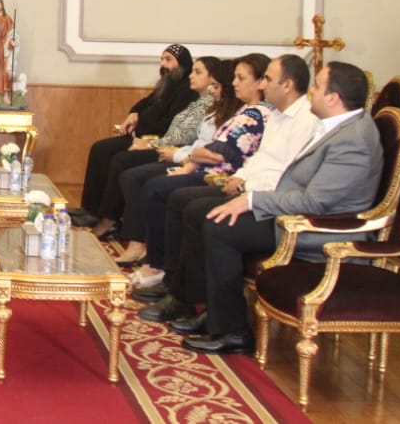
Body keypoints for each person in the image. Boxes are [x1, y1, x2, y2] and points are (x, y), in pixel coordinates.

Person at [154, 62, 382, 356]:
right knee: (204, 212)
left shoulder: (354, 140)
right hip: (291, 211)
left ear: (333, 98)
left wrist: (253, 200)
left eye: (316, 86)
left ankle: (232, 330)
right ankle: (209, 310)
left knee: (219, 226)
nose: (310, 91)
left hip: (317, 229)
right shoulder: (337, 126)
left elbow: (316, 202)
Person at [134, 55, 317, 334]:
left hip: (268, 200)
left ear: (288, 84)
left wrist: (246, 186)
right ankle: (181, 291)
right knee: (184, 202)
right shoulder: (279, 115)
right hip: (248, 185)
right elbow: (260, 159)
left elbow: (287, 173)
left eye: (268, 79)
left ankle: (207, 310)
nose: (263, 85)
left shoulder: (305, 121)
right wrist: (241, 176)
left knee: (202, 213)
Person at [125, 53, 275, 291]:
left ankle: (162, 267)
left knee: (160, 190)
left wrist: (193, 156)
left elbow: (219, 152)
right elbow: (211, 147)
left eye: (241, 78)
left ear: (259, 83)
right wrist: (193, 159)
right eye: (234, 77)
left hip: (221, 176)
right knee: (156, 185)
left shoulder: (257, 114)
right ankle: (159, 263)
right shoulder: (244, 110)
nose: (234, 83)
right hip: (205, 169)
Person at [111, 56, 225, 264]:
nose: (191, 76)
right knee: (125, 166)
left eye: (198, 72)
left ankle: (144, 247)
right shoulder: (199, 102)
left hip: (194, 163)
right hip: (180, 153)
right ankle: (132, 237)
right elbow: (196, 142)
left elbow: (203, 147)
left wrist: (161, 148)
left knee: (136, 175)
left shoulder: (214, 106)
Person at [73, 45, 198, 227]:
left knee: (119, 158)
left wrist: (142, 130)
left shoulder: (187, 90)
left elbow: (169, 124)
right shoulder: (167, 84)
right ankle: (90, 208)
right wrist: (134, 112)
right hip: (141, 136)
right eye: (162, 59)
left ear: (182, 64)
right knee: (100, 148)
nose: (163, 64)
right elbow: (145, 102)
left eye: (168, 60)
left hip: (158, 142)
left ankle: (109, 216)